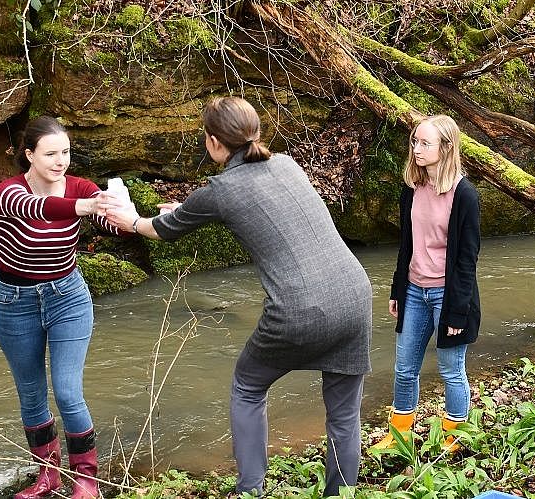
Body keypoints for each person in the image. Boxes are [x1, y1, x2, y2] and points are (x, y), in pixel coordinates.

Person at [100, 96, 372, 497]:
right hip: (354, 294)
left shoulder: (220, 189)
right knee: (344, 414)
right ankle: (341, 494)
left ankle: (250, 491)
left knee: (247, 386)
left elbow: (160, 229)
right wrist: (190, 208)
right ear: (256, 132)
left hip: (298, 309)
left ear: (213, 142)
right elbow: (264, 209)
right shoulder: (287, 164)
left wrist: (132, 220)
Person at [0, 116, 126, 499]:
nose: (60, 161)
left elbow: (108, 223)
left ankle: (86, 481)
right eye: (50, 153)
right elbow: (38, 208)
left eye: (65, 152)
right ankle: (47, 478)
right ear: (29, 154)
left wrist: (135, 219)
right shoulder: (8, 192)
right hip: (15, 303)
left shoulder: (81, 187)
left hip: (67, 297)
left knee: (68, 391)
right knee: (31, 394)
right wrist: (82, 206)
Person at [369, 115, 481, 454]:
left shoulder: (465, 195)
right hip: (415, 291)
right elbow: (407, 245)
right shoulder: (412, 188)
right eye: (415, 142)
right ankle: (400, 435)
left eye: (425, 143)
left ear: (446, 148)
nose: (417, 149)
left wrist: (458, 313)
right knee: (405, 369)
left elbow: (467, 259)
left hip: (449, 296)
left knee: (451, 370)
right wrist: (397, 290)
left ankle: (455, 438)